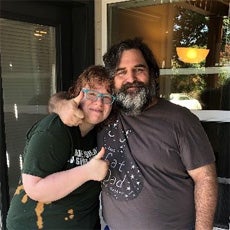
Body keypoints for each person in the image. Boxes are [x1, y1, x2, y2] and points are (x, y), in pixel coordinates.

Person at [49, 38, 218, 230]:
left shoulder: (180, 120)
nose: (131, 79)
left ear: (152, 74)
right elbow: (58, 99)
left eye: (139, 69)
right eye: (121, 72)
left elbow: (205, 178)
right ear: (112, 80)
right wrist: (63, 106)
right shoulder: (103, 111)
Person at [6, 65, 115, 230]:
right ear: (76, 94)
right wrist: (88, 172)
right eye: (92, 93)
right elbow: (34, 188)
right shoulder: (54, 129)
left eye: (106, 97)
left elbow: (56, 100)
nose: (99, 102)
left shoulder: (100, 131)